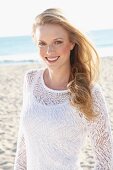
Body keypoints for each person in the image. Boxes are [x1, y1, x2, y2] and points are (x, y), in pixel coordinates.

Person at [14, 8, 113, 170]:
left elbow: (106, 160)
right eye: (42, 43)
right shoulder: (30, 80)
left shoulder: (90, 92)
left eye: (58, 42)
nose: (49, 51)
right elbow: (23, 149)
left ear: (72, 43)